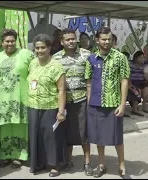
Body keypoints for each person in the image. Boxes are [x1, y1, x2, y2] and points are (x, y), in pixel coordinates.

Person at [85, 26, 131, 179]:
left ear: (112, 40)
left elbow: (124, 81)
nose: (106, 42)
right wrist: (88, 103)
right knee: (98, 137)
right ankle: (101, 165)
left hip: (114, 104)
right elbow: (89, 83)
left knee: (117, 137)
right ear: (97, 40)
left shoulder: (120, 57)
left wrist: (123, 103)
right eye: (103, 39)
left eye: (109, 39)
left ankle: (122, 166)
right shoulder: (91, 59)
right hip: (95, 104)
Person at [52, 28, 93, 176]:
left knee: (84, 133)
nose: (71, 41)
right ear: (62, 42)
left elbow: (93, 79)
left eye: (73, 38)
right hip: (63, 102)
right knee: (66, 133)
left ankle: (87, 162)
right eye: (67, 39)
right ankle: (68, 161)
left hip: (82, 100)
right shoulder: (55, 58)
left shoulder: (87, 55)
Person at [0, 28, 35, 169]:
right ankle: (5, 155)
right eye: (7, 41)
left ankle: (20, 156)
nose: (10, 44)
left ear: (16, 41)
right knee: (4, 127)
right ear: (2, 42)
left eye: (12, 41)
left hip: (22, 98)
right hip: (3, 99)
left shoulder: (26, 54)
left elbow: (35, 72)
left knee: (21, 127)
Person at [27, 34, 66, 177]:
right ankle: (38, 163)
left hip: (50, 107)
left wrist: (61, 111)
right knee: (35, 135)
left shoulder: (56, 66)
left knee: (51, 137)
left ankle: (54, 165)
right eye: (37, 48)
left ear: (49, 48)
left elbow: (61, 90)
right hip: (33, 106)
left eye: (43, 47)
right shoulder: (32, 63)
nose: (40, 50)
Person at [128, 51, 148, 116]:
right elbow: (127, 75)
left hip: (141, 82)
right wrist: (130, 84)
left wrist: (147, 74)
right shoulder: (130, 64)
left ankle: (144, 106)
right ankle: (134, 109)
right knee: (137, 92)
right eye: (140, 57)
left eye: (143, 57)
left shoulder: (144, 65)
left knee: (147, 92)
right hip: (132, 82)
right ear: (135, 58)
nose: (142, 59)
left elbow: (147, 77)